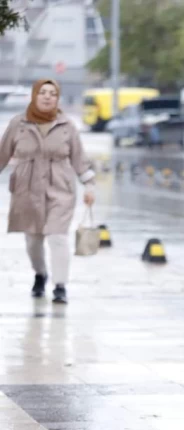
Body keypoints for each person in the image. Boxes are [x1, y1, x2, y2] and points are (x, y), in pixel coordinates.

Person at [0, 79, 96, 304]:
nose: (47, 97)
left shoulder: (67, 126)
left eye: (52, 93)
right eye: (42, 92)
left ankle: (60, 286)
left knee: (57, 237)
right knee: (33, 241)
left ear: (57, 98)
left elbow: (80, 160)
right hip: (26, 189)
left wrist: (89, 185)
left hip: (60, 188)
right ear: (34, 96)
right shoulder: (18, 124)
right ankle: (40, 274)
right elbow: (2, 154)